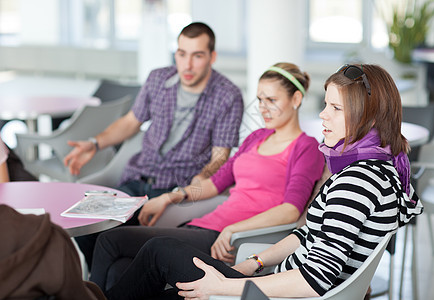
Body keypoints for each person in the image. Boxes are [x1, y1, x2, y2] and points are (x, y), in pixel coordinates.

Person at [97, 64, 424, 300]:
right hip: (264, 273)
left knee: (156, 251)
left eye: (335, 108)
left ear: (367, 117)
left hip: (269, 284)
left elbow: (315, 278)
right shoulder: (373, 169)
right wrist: (175, 197)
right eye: (325, 105)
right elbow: (306, 233)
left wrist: (226, 284)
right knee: (136, 266)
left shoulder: (353, 180)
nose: (323, 114)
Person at [89, 62, 325, 291]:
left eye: (272, 100)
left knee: (110, 241)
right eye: (260, 99)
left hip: (227, 240)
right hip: (204, 226)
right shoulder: (256, 138)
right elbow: (213, 184)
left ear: (296, 99)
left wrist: (233, 229)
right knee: (119, 268)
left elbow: (290, 210)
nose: (263, 108)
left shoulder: (306, 147)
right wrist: (171, 197)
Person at [64, 22, 244, 267]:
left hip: (172, 189)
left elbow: (220, 157)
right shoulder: (158, 79)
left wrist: (193, 186)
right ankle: (100, 286)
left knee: (115, 243)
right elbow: (131, 122)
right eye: (182, 54)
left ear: (212, 57)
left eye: (197, 56)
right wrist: (95, 144)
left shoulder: (227, 96)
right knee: (86, 224)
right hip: (134, 181)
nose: (187, 65)